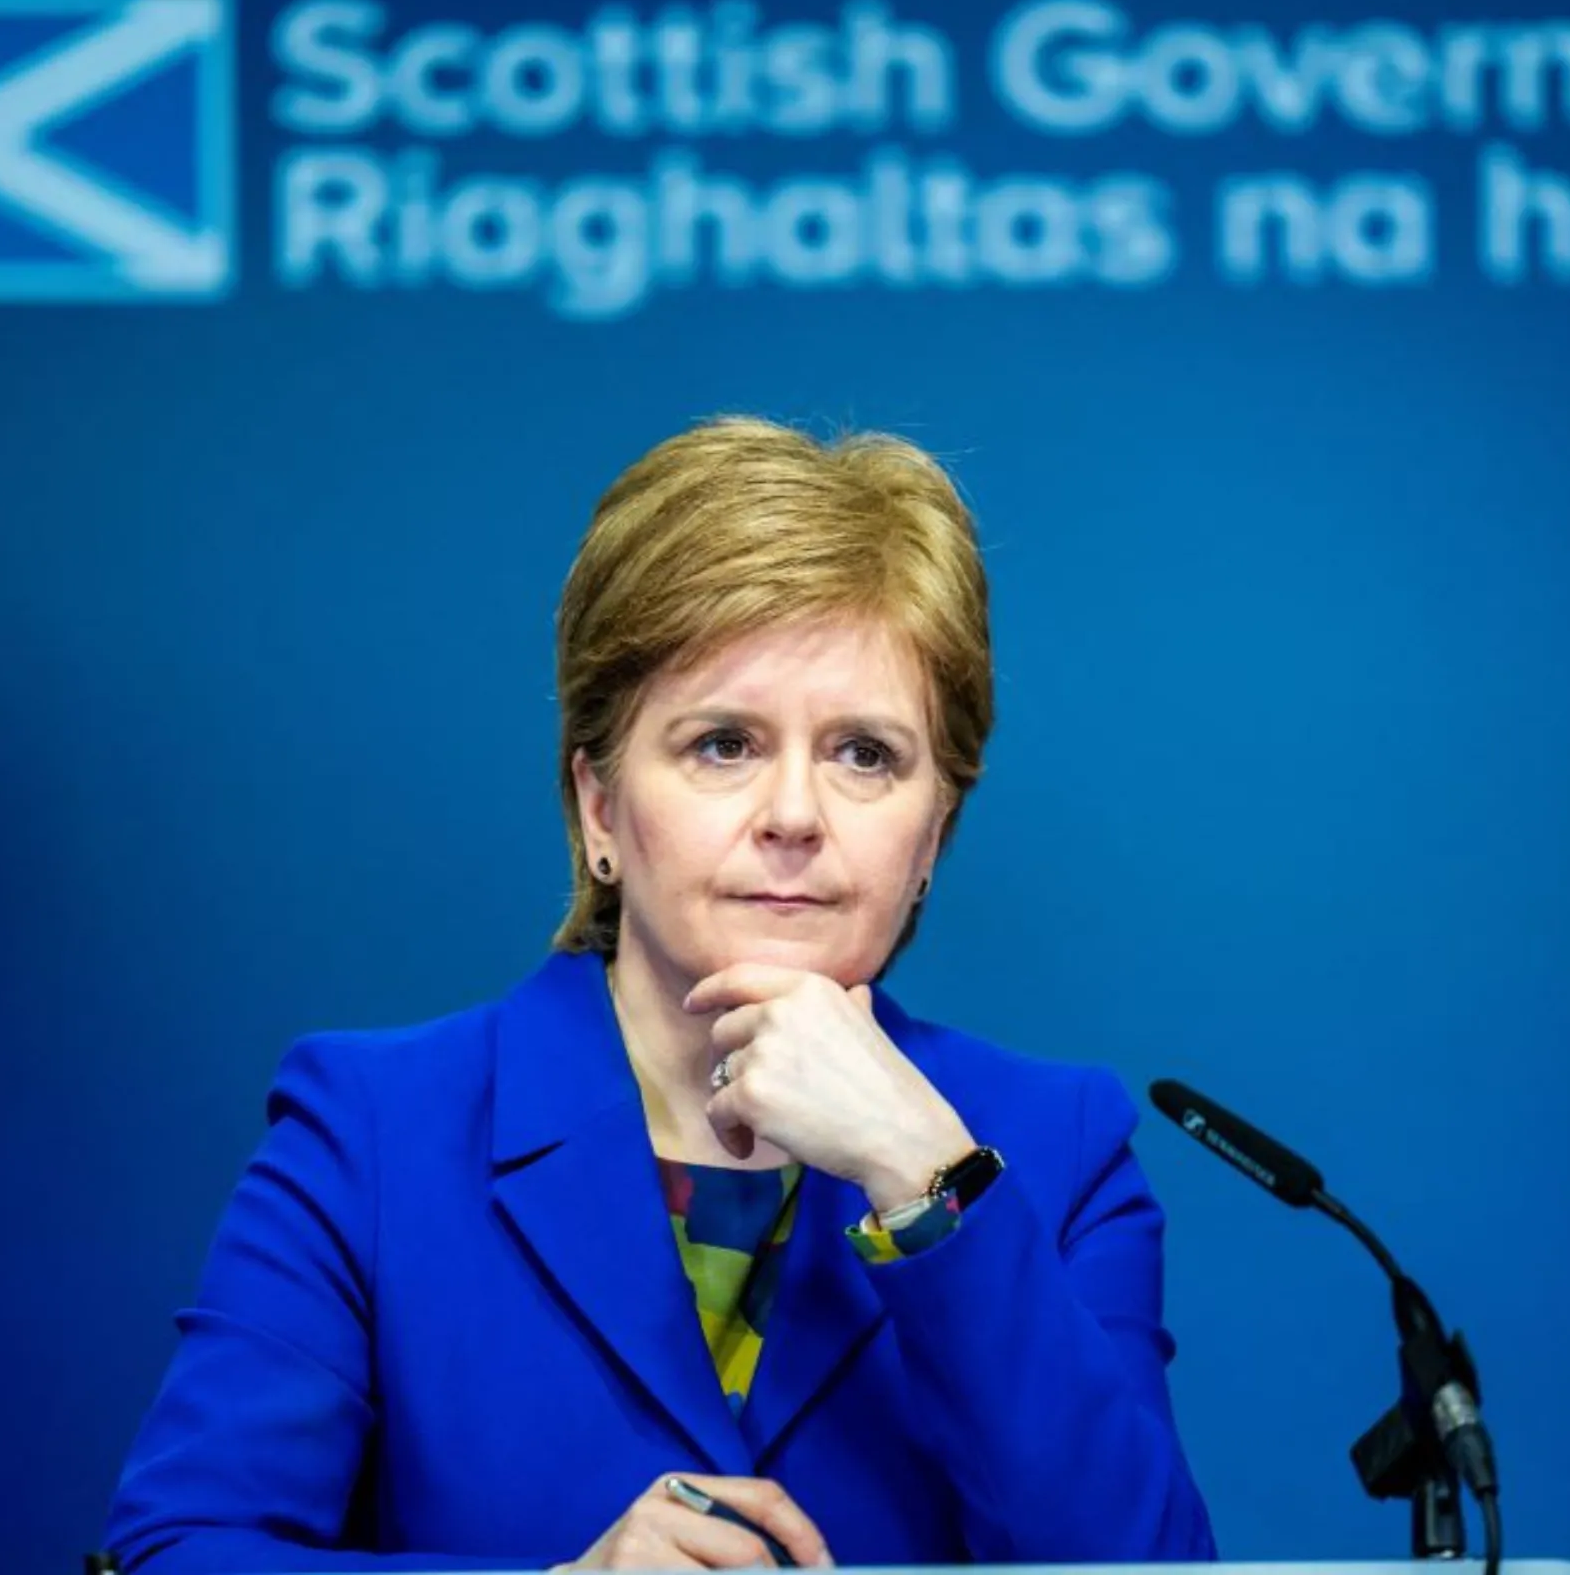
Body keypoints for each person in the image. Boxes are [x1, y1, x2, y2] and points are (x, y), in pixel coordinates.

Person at [103, 418, 1219, 1572]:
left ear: (935, 828)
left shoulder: (1056, 1147)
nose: (795, 815)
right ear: (598, 807)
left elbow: (1144, 1567)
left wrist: (925, 1179)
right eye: (724, 744)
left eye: (866, 755)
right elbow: (178, 1554)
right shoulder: (378, 1130)